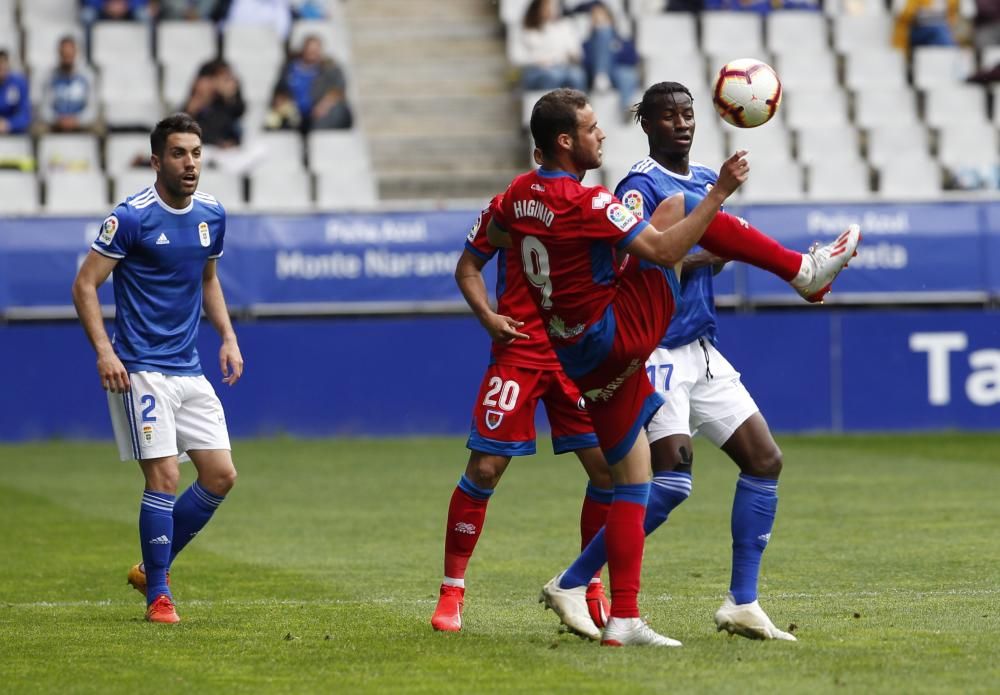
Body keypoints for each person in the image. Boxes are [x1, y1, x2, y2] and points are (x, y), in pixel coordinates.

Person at [488, 88, 860, 646]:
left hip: (685, 346)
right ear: (647, 125)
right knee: (672, 479)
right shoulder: (630, 187)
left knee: (760, 460)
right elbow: (658, 250)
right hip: (651, 342)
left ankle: (736, 603)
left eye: (688, 114)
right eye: (669, 115)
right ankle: (803, 271)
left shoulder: (522, 192)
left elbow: (495, 236)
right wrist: (716, 205)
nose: (682, 123)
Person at [71, 113, 244, 624]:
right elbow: (85, 285)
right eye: (178, 154)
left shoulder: (212, 213)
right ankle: (159, 596)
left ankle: (150, 567)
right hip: (141, 369)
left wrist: (228, 336)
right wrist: (105, 351)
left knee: (220, 476)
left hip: (188, 369)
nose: (190, 163)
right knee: (165, 477)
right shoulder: (131, 218)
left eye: (195, 153)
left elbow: (207, 279)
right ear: (156, 161)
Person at [430, 193, 614, 633]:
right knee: (486, 468)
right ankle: (452, 590)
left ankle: (590, 585)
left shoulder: (598, 204)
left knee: (608, 471)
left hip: (576, 356)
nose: (601, 136)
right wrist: (489, 317)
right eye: (590, 129)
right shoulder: (510, 204)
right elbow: (468, 266)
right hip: (519, 354)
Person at [273, 35, 352, 132]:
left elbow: (338, 90)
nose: (312, 53)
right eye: (309, 49)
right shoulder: (290, 68)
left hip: (320, 115)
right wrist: (283, 102)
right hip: (295, 114)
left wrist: (324, 106)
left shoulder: (330, 68)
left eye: (315, 50)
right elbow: (280, 90)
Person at [513, 0, 588, 92]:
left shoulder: (564, 26)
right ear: (538, 8)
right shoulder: (525, 29)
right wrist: (537, 61)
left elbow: (577, 53)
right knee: (553, 76)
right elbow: (517, 57)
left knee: (577, 75)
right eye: (548, 6)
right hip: (536, 70)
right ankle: (549, 105)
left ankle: (578, 105)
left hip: (562, 67)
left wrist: (573, 55)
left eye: (554, 6)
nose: (551, 9)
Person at [40, 36, 98, 133]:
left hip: (80, 123)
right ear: (59, 54)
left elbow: (92, 108)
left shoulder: (87, 76)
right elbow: (44, 108)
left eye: (69, 54)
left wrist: (77, 120)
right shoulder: (50, 77)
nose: (67, 57)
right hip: (57, 123)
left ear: (75, 53)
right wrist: (58, 120)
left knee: (98, 129)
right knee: (38, 129)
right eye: (64, 54)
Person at [0, 49, 31, 135]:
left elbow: (25, 115)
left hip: (15, 135)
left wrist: (8, 124)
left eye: (3, 63)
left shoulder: (19, 83)